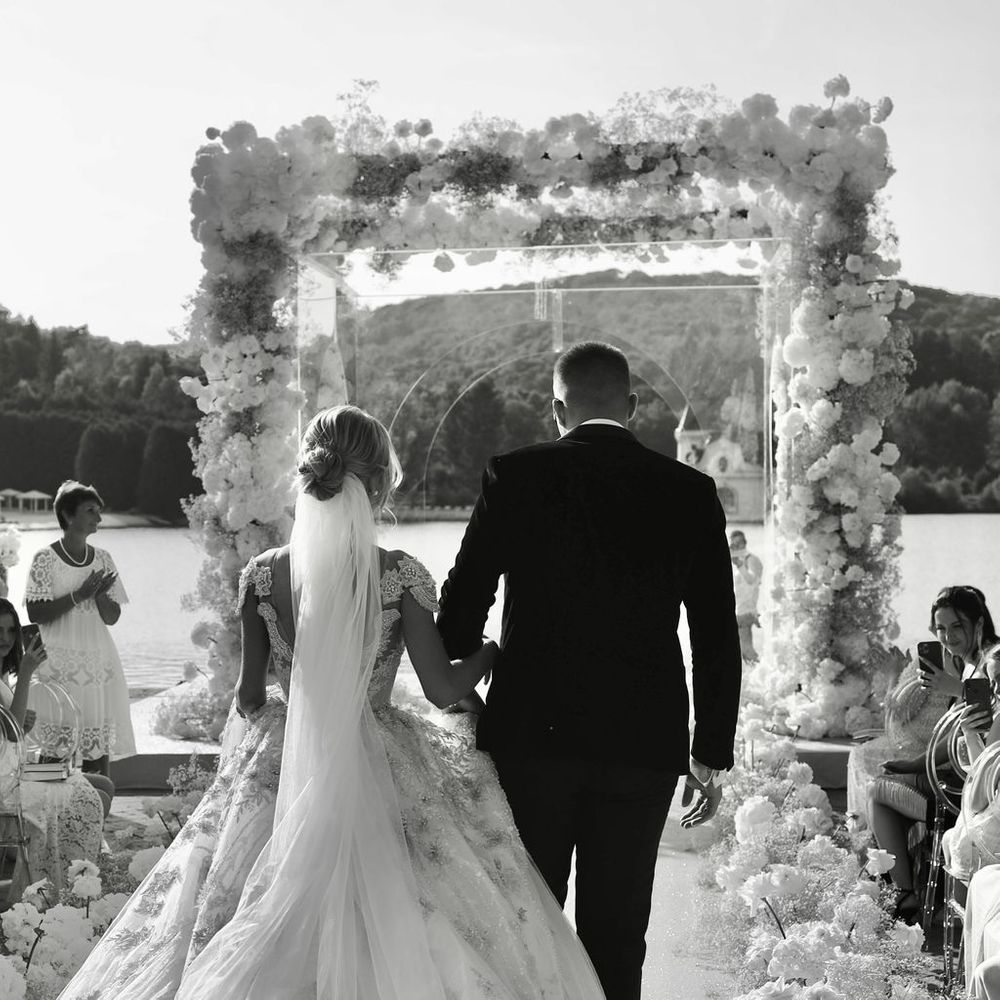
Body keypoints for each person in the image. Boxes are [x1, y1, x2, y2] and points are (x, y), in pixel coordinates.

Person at [61, 405, 607, 1000]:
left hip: (287, 754)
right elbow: (443, 691)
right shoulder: (398, 574)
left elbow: (246, 699)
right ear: (377, 484)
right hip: (384, 755)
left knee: (236, 896)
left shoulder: (264, 575)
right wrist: (495, 652)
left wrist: (289, 716)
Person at [436, 341, 743, 1000]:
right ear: (631, 407)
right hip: (644, 743)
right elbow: (716, 631)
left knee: (528, 920)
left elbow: (462, 609)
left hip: (530, 738)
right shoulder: (689, 491)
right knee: (618, 929)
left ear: (557, 408)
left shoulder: (514, 475)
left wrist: (474, 665)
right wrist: (710, 748)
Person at [863, 586, 999, 917]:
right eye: (941, 628)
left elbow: (980, 728)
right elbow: (956, 734)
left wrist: (915, 763)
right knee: (885, 777)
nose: (948, 636)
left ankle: (907, 893)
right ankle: (914, 890)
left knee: (877, 792)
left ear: (978, 624)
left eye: (957, 626)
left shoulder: (991, 660)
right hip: (966, 777)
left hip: (966, 790)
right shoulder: (969, 661)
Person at [25, 481, 135, 778]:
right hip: (58, 664)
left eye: (99, 511)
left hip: (96, 662)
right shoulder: (44, 558)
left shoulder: (103, 558)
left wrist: (98, 596)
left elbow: (112, 618)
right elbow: (35, 612)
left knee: (96, 749)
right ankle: (51, 813)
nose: (98, 518)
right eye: (91, 511)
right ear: (68, 515)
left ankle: (95, 812)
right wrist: (79, 595)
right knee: (54, 749)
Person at [0, 598, 106, 893]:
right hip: (7, 782)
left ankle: (82, 874)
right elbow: (12, 734)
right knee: (93, 792)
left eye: (11, 631)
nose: (6, 639)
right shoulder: (10, 676)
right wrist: (26, 672)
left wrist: (20, 720)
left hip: (13, 770)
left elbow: (12, 729)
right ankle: (72, 880)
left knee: (99, 785)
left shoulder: (1, 675)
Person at [729, 529, 763, 662]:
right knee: (741, 650)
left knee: (746, 649)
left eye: (740, 543)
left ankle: (760, 673)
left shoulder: (752, 559)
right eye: (734, 544)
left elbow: (753, 581)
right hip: (739, 610)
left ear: (746, 542)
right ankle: (752, 676)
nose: (738, 546)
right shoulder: (738, 561)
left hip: (748, 611)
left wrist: (739, 566)